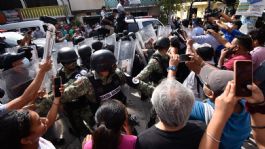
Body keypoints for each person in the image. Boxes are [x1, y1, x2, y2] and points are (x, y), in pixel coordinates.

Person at [136, 55, 205, 149]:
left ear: (157, 111)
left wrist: (172, 68)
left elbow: (168, 94)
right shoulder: (202, 130)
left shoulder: (143, 140)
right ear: (190, 109)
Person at [186, 54, 251, 149]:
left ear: (210, 93)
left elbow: (169, 101)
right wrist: (202, 64)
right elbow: (224, 79)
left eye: (206, 83)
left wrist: (172, 69)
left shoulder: (203, 110)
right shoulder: (246, 105)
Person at [199, 81, 265, 149]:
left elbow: (188, 102)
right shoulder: (246, 105)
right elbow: (262, 144)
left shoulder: (205, 109)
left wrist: (220, 114)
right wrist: (259, 106)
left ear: (210, 93)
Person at [0, 83, 63, 149]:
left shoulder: (34, 139)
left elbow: (49, 120)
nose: (45, 119)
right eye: (39, 122)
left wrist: (56, 98)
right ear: (26, 140)